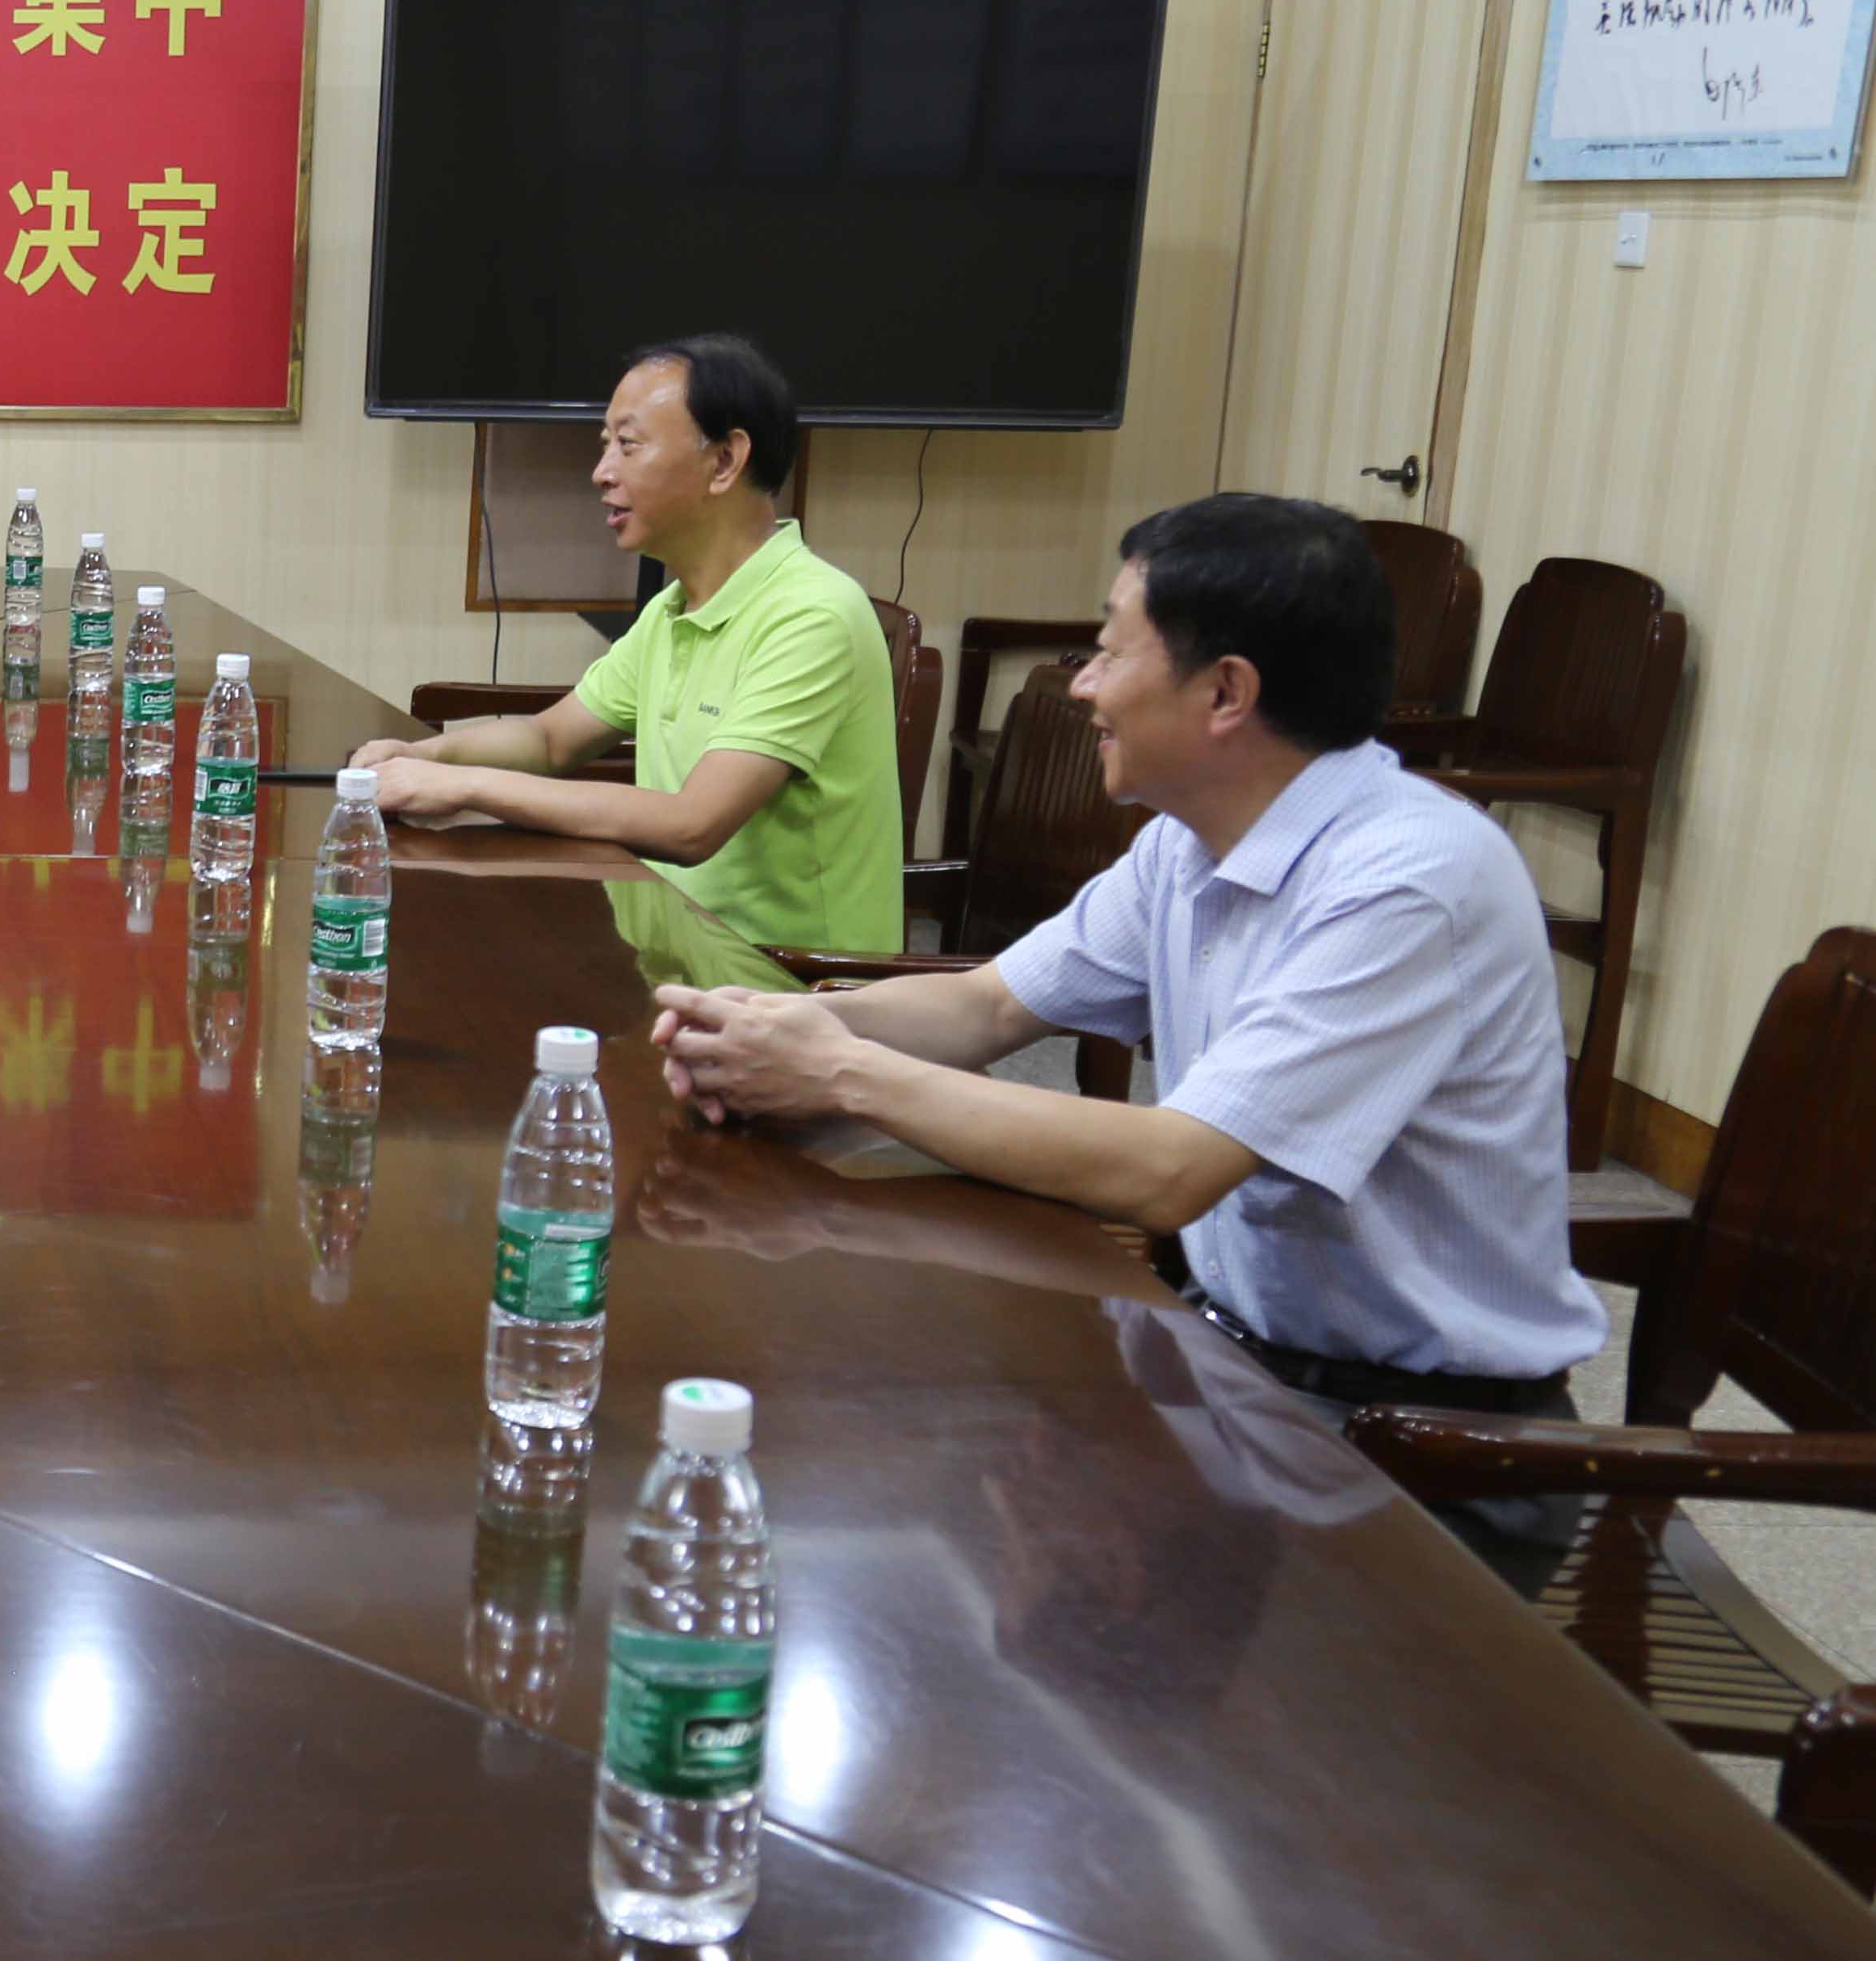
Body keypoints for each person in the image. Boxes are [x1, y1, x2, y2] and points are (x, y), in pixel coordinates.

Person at [647, 493, 1602, 1594]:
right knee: (876, 1428)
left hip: (1426, 1453)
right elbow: (988, 1008)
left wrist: (840, 1072)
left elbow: (1171, 1170)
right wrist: (785, 1028)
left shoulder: (1407, 879)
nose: (1082, 687)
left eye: (1107, 652)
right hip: (1240, 1378)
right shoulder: (1191, 841)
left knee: (949, 1538)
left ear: (1226, 692)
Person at [350, 334, 900, 953]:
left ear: (725, 461)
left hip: (791, 983)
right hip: (677, 951)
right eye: (605, 444)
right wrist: (425, 756)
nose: (602, 472)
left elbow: (692, 825)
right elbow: (552, 739)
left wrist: (467, 788)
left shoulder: (812, 615)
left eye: (628, 444)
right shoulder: (675, 609)